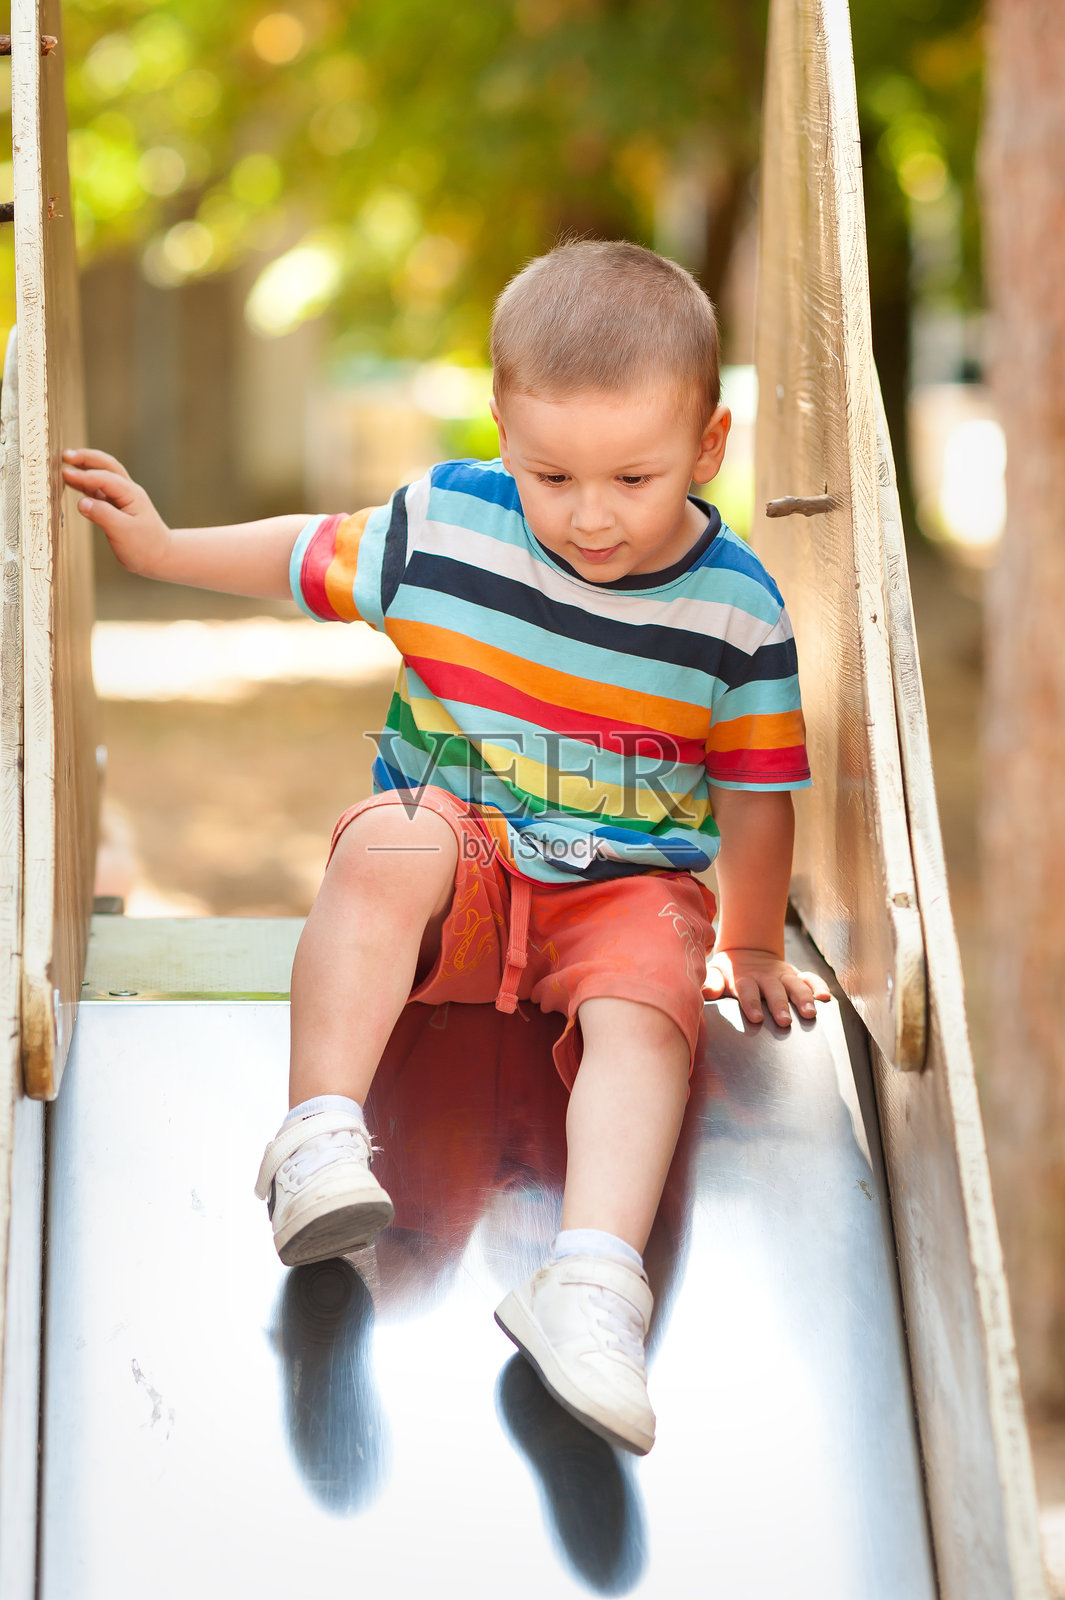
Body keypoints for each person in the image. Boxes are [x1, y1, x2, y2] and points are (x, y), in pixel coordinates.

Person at [63, 238, 830, 1457]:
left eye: (633, 477)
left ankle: (589, 1283)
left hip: (626, 885)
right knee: (387, 832)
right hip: (461, 868)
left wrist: (744, 934)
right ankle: (316, 1136)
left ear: (709, 446)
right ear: (500, 429)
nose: (589, 514)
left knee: (652, 1006)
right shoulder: (449, 524)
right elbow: (303, 550)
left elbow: (754, 791)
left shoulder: (735, 607)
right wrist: (164, 551)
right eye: (551, 473)